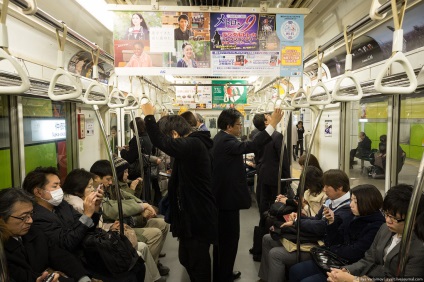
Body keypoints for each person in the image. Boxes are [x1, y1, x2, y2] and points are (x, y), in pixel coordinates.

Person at [141, 102, 218, 281]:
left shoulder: (194, 145)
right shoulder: (193, 145)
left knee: (198, 263)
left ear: (175, 134)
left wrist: (149, 117)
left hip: (198, 215)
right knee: (185, 257)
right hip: (189, 214)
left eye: (171, 138)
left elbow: (162, 142)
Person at [212, 108, 283, 282]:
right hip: (226, 201)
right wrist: (272, 124)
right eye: (238, 124)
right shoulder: (226, 141)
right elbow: (251, 145)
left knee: (222, 241)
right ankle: (224, 276)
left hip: (222, 199)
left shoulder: (220, 139)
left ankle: (222, 272)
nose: (240, 127)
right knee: (229, 240)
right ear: (229, 126)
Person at [62, 168, 164, 282]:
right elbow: (87, 232)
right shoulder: (78, 206)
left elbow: (122, 204)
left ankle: (154, 278)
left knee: (142, 248)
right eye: (90, 186)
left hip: (103, 235)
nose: (94, 189)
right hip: (95, 247)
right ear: (77, 189)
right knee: (139, 252)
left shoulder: (92, 199)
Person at [258, 169, 353, 282]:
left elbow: (321, 227)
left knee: (275, 254)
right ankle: (266, 278)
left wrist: (297, 222)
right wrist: (298, 218)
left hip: (321, 245)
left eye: (327, 186)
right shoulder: (330, 200)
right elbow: (317, 218)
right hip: (313, 237)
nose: (324, 189)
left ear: (340, 187)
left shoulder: (347, 208)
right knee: (267, 238)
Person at [89, 159, 170, 278]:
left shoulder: (109, 188)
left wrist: (143, 205)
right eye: (108, 179)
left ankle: (153, 266)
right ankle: (149, 272)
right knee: (155, 234)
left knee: (163, 224)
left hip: (124, 221)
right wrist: (141, 209)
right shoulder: (94, 195)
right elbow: (114, 209)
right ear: (96, 178)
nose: (111, 182)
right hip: (116, 227)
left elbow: (128, 199)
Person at [327, 184, 424, 281]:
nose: (388, 220)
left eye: (395, 218)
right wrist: (347, 270)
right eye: (386, 214)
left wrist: (354, 279)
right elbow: (369, 259)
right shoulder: (385, 229)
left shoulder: (419, 247)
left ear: (413, 219)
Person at [290, 184, 385, 282]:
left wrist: (334, 248)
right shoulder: (352, 215)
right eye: (351, 200)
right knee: (295, 270)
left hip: (350, 266)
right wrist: (331, 222)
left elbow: (355, 252)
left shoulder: (376, 226)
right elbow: (333, 240)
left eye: (355, 202)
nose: (351, 204)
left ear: (367, 203)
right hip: (335, 259)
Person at [0, 188, 91, 282]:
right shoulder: (3, 248)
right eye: (23, 217)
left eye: (31, 214)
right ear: (2, 218)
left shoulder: (34, 232)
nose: (30, 221)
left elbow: (59, 255)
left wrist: (82, 277)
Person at [22, 167, 102, 253]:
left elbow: (88, 228)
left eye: (60, 185)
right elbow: (66, 243)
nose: (60, 189)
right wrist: (86, 215)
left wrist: (95, 207)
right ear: (38, 192)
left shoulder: (62, 205)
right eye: (55, 186)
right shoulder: (36, 217)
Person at [119, 117, 153, 201]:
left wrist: (122, 151)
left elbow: (129, 158)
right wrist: (131, 148)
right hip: (146, 170)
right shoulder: (148, 137)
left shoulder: (137, 140)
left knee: (138, 195)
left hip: (136, 172)